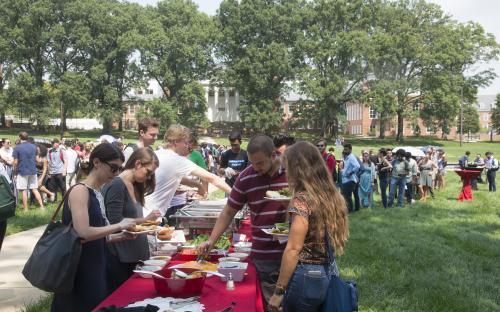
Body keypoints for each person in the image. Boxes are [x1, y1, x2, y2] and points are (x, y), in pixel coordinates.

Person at [197, 134, 289, 309]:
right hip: (265, 256)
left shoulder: (291, 171)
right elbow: (229, 211)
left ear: (273, 155)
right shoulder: (247, 176)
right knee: (272, 305)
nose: (255, 167)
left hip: (294, 250)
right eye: (252, 162)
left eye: (260, 163)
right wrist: (211, 240)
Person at [51, 143, 137, 312]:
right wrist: (119, 225)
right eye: (113, 168)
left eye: (120, 169)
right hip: (79, 267)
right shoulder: (80, 191)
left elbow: (96, 234)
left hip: (95, 264)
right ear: (96, 162)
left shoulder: (96, 191)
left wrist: (120, 235)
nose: (117, 174)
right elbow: (83, 233)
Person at [268, 141, 349, 312]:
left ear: (298, 169)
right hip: (326, 271)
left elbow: (293, 248)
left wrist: (278, 291)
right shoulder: (332, 196)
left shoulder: (302, 200)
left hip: (305, 277)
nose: (286, 173)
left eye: (288, 168)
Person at [103, 148, 161, 294]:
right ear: (137, 164)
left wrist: (147, 223)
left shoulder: (135, 184)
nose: (148, 177)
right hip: (121, 258)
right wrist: (145, 220)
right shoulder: (117, 185)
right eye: (148, 173)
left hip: (133, 256)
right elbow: (115, 222)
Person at [143, 125, 231, 221]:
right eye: (185, 143)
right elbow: (212, 178)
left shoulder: (157, 153)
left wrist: (196, 184)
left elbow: (172, 176)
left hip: (142, 211)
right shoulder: (176, 160)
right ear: (176, 141)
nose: (187, 146)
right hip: (150, 216)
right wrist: (235, 195)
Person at [12, 132, 45, 211]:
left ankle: (26, 209)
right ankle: (42, 207)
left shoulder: (17, 147)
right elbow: (38, 160)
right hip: (33, 170)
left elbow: (15, 162)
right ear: (27, 137)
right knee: (34, 189)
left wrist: (14, 170)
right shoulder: (34, 147)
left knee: (24, 190)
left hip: (22, 171)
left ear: (20, 137)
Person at [340, 143, 360, 212]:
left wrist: (351, 172)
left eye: (346, 149)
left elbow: (357, 166)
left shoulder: (351, 157)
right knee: (346, 196)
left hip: (350, 180)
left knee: (347, 196)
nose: (345, 150)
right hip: (346, 179)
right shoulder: (347, 157)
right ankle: (348, 209)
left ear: (350, 150)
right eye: (344, 149)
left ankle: (349, 209)